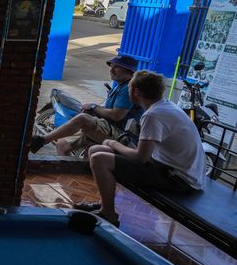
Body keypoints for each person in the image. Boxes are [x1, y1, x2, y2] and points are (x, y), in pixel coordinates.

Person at [87, 70, 206, 226]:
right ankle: (105, 203)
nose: (128, 90)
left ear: (136, 91)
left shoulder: (153, 115)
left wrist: (113, 143)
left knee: (99, 159)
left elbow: (140, 157)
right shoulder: (165, 105)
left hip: (179, 178)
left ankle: (108, 214)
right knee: (95, 150)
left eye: (129, 87)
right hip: (170, 166)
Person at [30, 54, 139, 156]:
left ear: (129, 71)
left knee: (82, 118)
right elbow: (108, 109)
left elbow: (116, 115)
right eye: (112, 67)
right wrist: (94, 110)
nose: (111, 70)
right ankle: (66, 172)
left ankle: (42, 140)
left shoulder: (127, 89)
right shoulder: (120, 86)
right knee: (62, 144)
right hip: (108, 127)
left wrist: (93, 107)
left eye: (117, 68)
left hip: (121, 135)